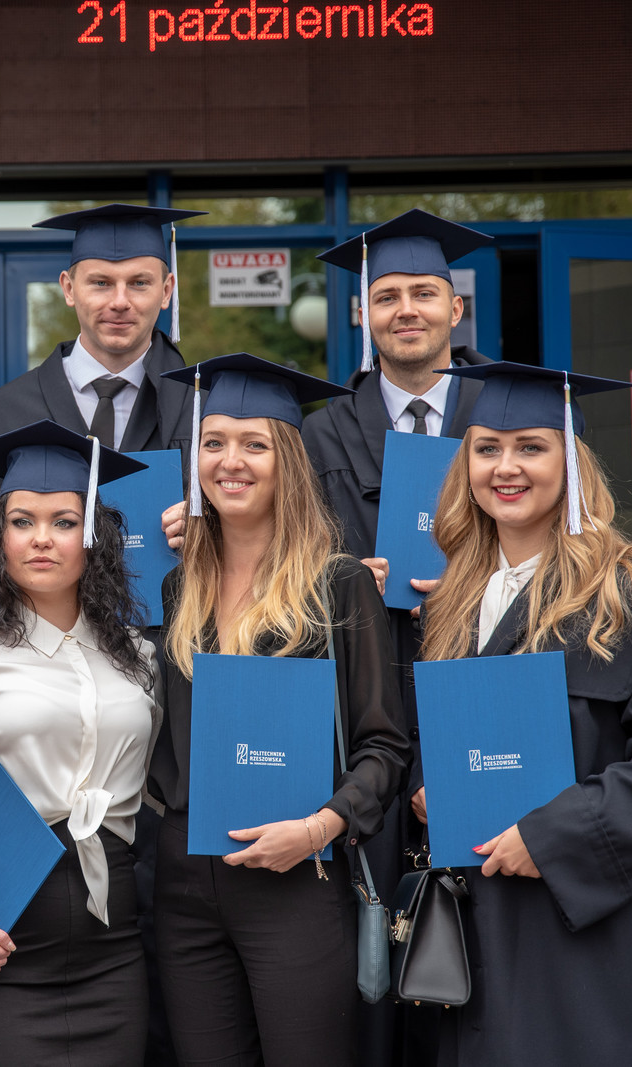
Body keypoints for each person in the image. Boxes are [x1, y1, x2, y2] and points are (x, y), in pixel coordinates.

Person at [416, 361, 632, 1066]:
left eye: (531, 447)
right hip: (485, 925)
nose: (506, 467)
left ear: (572, 464)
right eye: (487, 449)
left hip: (597, 937)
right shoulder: (453, 602)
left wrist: (551, 837)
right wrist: (429, 788)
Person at [151, 354, 410, 1066]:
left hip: (298, 877)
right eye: (214, 442)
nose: (230, 461)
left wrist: (319, 826)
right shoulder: (178, 589)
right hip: (185, 882)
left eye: (254, 444)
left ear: (287, 461)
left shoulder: (338, 585)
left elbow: (384, 747)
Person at [0, 420, 160, 1067]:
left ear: (93, 538)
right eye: (22, 521)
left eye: (64, 521)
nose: (41, 538)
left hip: (113, 951)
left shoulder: (137, 657)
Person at [299, 210, 496, 1065]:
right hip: (367, 704)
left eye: (423, 292)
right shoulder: (320, 432)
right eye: (386, 296)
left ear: (456, 307)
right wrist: (347, 577)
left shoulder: (506, 415)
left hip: (483, 694)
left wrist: (475, 581)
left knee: (488, 942)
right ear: (362, 313)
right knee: (374, 941)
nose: (405, 309)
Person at [0, 204, 204, 534]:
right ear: (69, 289)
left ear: (167, 291)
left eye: (139, 283)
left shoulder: (203, 412)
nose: (119, 301)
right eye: (101, 283)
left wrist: (209, 532)